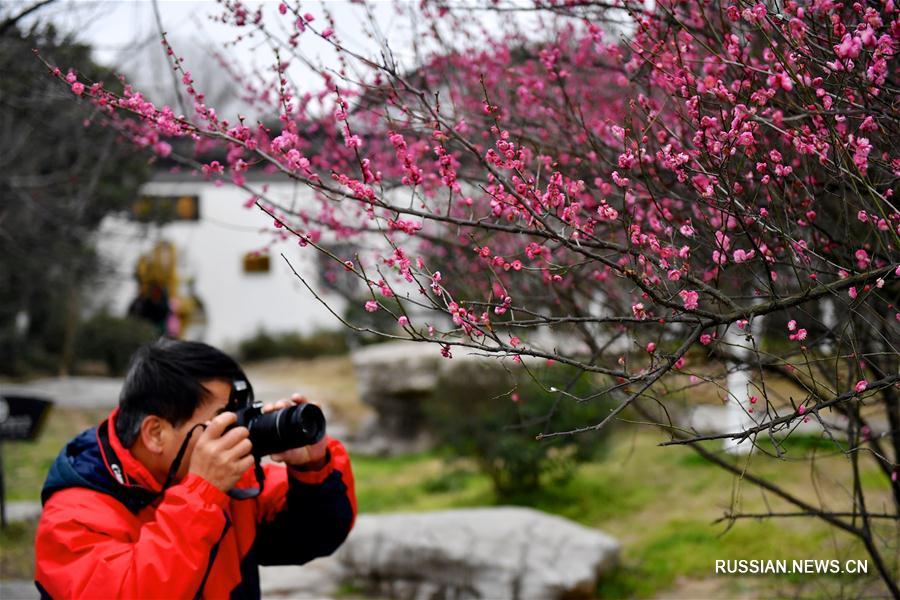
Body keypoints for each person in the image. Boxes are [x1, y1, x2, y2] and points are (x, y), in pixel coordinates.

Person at [34, 339, 356, 599]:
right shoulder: (73, 517)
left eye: (238, 413)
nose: (234, 428)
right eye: (221, 417)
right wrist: (200, 496)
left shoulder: (233, 483)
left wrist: (313, 467)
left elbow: (317, 536)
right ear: (156, 433)